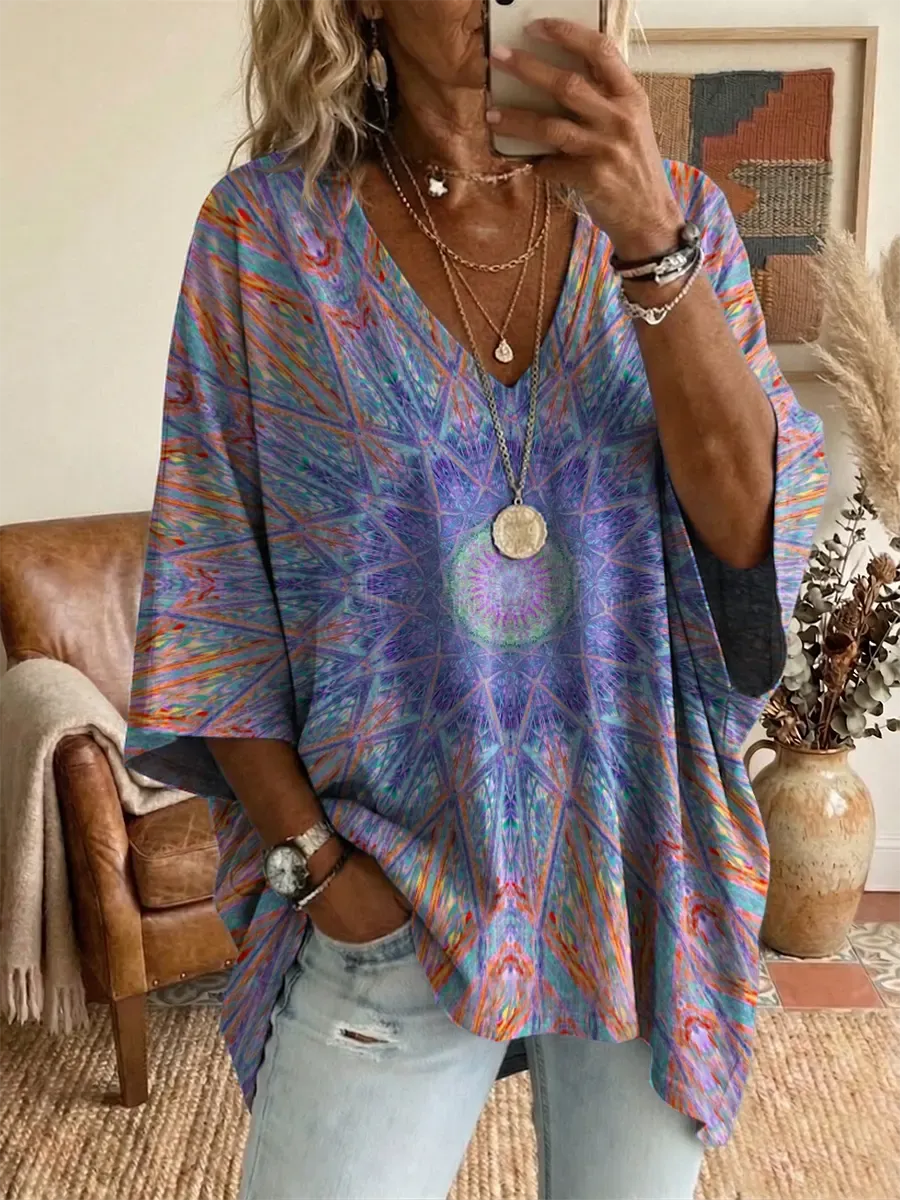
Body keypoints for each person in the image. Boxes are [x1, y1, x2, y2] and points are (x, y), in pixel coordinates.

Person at [125, 1, 829, 1197]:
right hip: (393, 878)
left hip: (637, 868)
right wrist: (316, 869)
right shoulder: (266, 240)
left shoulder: (679, 216)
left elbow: (748, 531)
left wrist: (647, 239)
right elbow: (212, 582)